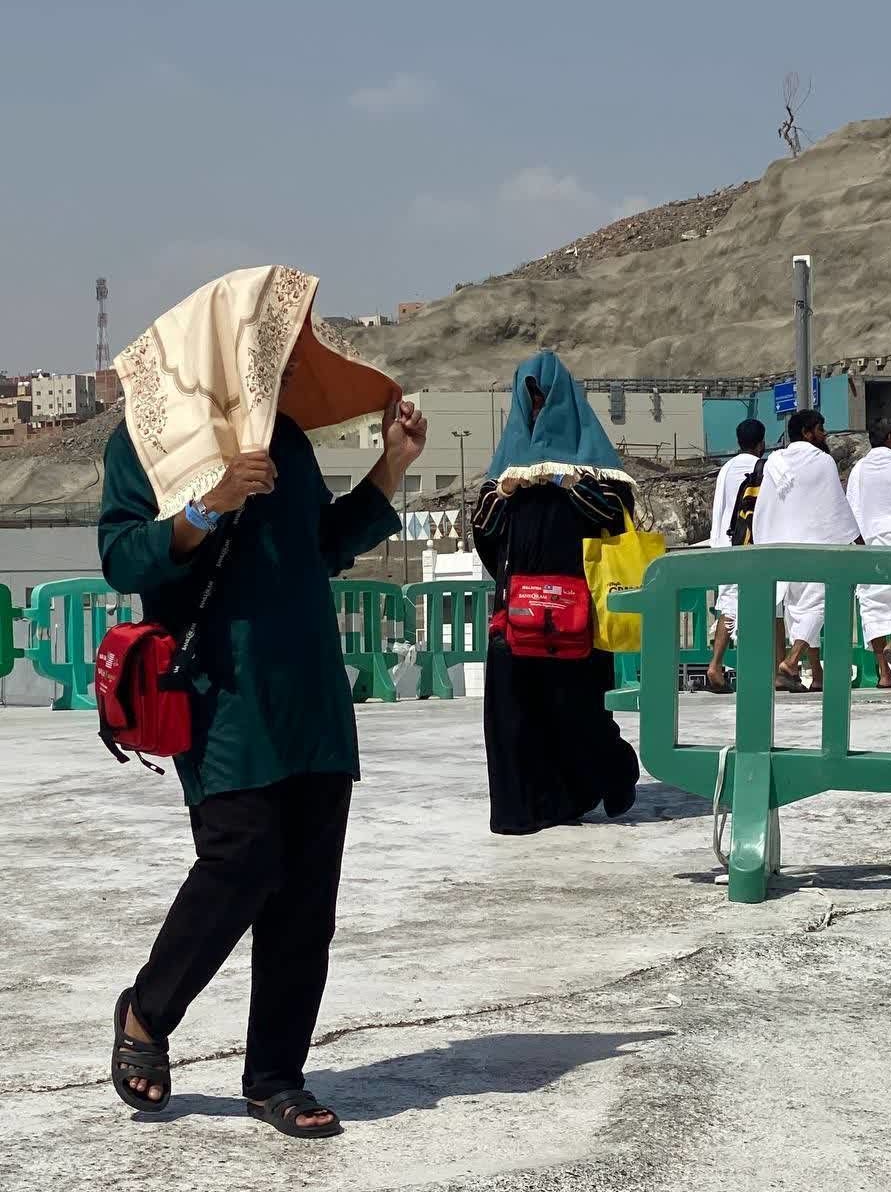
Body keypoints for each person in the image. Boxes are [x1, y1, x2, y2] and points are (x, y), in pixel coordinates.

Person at [99, 266, 427, 1138]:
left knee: (306, 895)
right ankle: (146, 1014)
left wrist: (390, 470)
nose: (284, 371)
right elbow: (124, 560)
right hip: (220, 693)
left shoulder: (283, 437)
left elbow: (318, 546)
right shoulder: (145, 440)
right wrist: (205, 509)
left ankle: (275, 1074)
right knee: (240, 860)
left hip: (310, 692)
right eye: (270, 352)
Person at [471, 353, 641, 835]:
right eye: (531, 399)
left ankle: (609, 777)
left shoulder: (600, 472)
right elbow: (484, 535)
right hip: (517, 616)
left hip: (578, 619)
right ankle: (521, 811)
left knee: (580, 714)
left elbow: (614, 520)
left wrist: (567, 482)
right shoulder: (504, 473)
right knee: (512, 716)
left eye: (545, 397)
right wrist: (504, 495)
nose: (539, 407)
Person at [753, 410, 862, 692]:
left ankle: (817, 676)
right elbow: (835, 506)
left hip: (783, 547)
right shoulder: (822, 461)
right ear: (806, 433)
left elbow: (765, 507)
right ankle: (790, 663)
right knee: (816, 608)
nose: (824, 434)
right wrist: (856, 540)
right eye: (820, 428)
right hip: (816, 546)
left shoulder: (775, 462)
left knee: (798, 612)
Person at [705, 418, 766, 693]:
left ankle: (717, 665)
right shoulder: (760, 468)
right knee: (759, 606)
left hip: (724, 545)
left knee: (728, 605)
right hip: (751, 546)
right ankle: (740, 668)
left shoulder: (726, 469)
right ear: (762, 443)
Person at [846, 419, 891, 687]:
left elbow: (852, 508)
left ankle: (883, 673)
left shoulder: (859, 469)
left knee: (872, 609)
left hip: (869, 545)